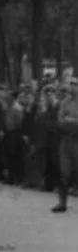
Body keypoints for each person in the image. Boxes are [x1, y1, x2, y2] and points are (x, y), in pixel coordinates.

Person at [52, 78, 78, 212]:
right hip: (65, 140)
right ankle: (62, 203)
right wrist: (71, 121)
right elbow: (60, 121)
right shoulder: (64, 102)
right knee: (64, 172)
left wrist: (70, 120)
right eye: (71, 85)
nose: (72, 88)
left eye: (75, 85)